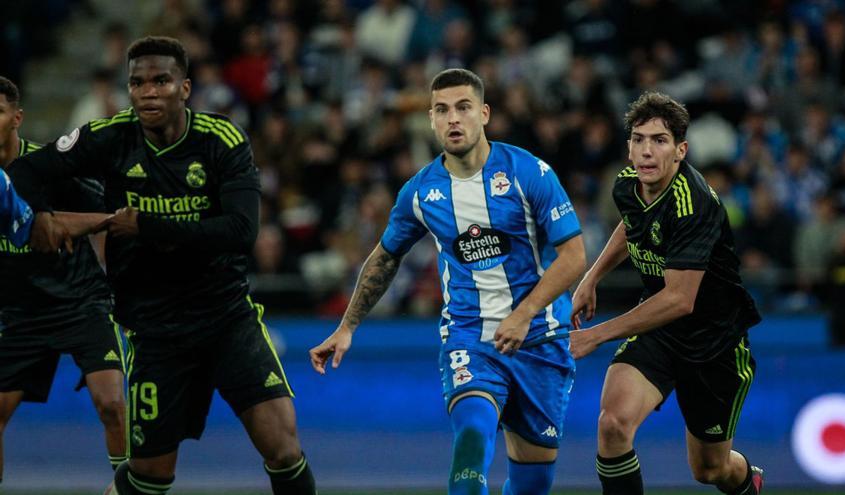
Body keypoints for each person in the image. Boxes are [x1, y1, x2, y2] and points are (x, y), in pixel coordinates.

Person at [8, 37, 315, 495]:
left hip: (225, 319)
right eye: (137, 83)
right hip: (154, 330)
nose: (148, 92)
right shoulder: (108, 137)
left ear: (185, 88)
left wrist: (147, 226)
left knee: (283, 446)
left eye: (161, 81)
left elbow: (240, 232)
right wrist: (40, 219)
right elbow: (23, 172)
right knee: (151, 474)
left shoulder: (221, 141)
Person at [310, 68, 586, 495]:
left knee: (533, 482)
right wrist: (347, 326)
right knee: (473, 435)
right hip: (469, 338)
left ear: (484, 114)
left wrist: (523, 314)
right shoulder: (420, 192)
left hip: (540, 340)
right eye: (442, 110)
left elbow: (574, 256)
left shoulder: (528, 172)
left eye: (463, 108)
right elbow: (385, 257)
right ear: (431, 120)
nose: (453, 119)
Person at [569, 92, 764, 495]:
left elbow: (679, 299)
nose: (646, 151)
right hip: (659, 330)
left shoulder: (694, 205)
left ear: (680, 150)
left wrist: (596, 334)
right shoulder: (627, 185)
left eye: (659, 140)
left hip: (713, 343)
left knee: (710, 470)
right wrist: (592, 277)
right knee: (612, 424)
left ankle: (748, 481)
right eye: (638, 139)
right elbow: (631, 226)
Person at [0, 75, 127, 483]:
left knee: (111, 405)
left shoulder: (46, 168)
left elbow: (107, 217)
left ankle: (134, 489)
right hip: (20, 314)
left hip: (80, 303)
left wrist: (108, 272)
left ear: (16, 118)